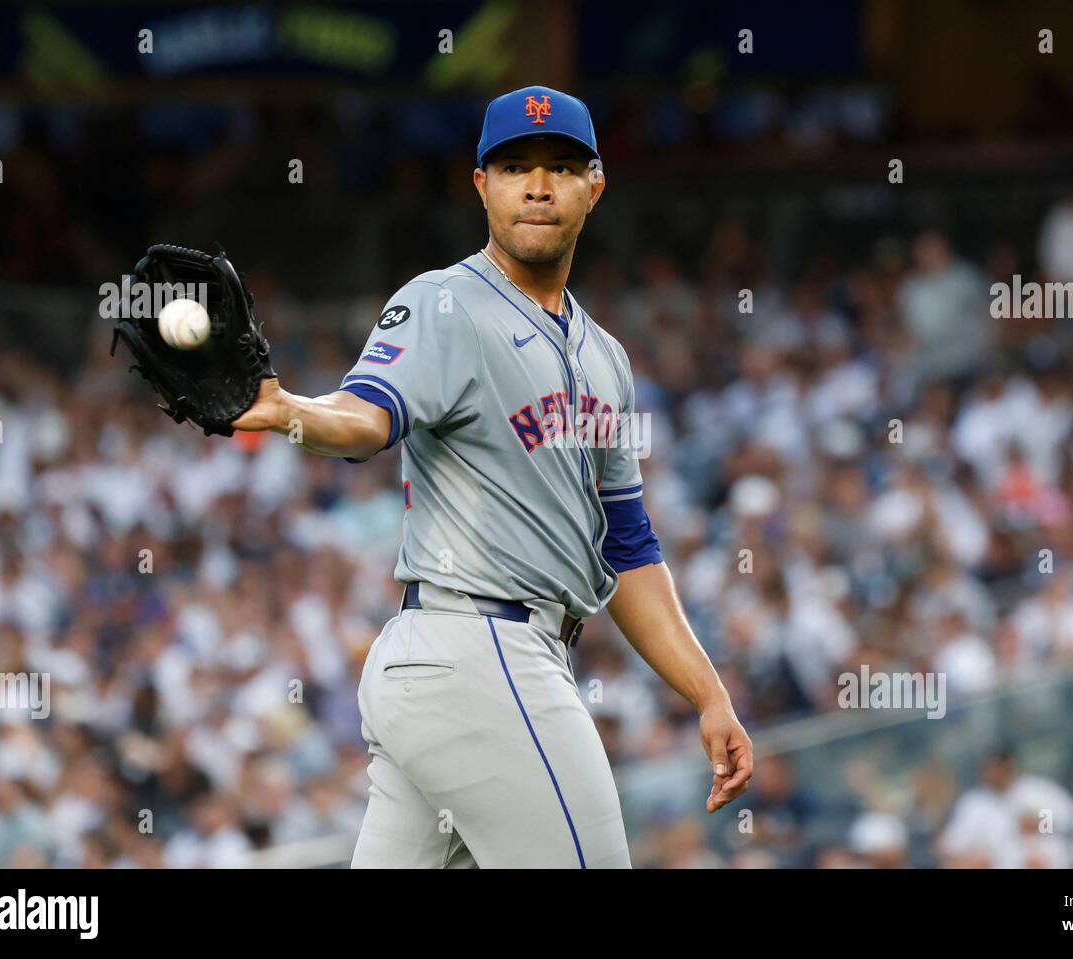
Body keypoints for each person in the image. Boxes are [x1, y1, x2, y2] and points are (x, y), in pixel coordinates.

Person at [229, 86, 753, 867]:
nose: (537, 185)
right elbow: (366, 419)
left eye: (559, 167)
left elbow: (630, 549)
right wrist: (288, 410)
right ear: (482, 185)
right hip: (480, 653)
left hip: (459, 669)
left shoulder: (607, 358)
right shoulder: (446, 303)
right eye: (514, 166)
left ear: (594, 184)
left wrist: (708, 692)